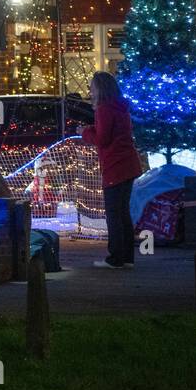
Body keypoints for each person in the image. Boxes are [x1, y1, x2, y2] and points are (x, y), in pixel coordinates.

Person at [79, 71, 143, 269]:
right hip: (128, 164)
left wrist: (84, 132)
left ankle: (115, 257)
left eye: (92, 87)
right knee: (123, 213)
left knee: (114, 213)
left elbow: (102, 139)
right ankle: (127, 257)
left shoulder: (104, 109)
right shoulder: (120, 108)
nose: (90, 91)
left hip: (115, 166)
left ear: (100, 89)